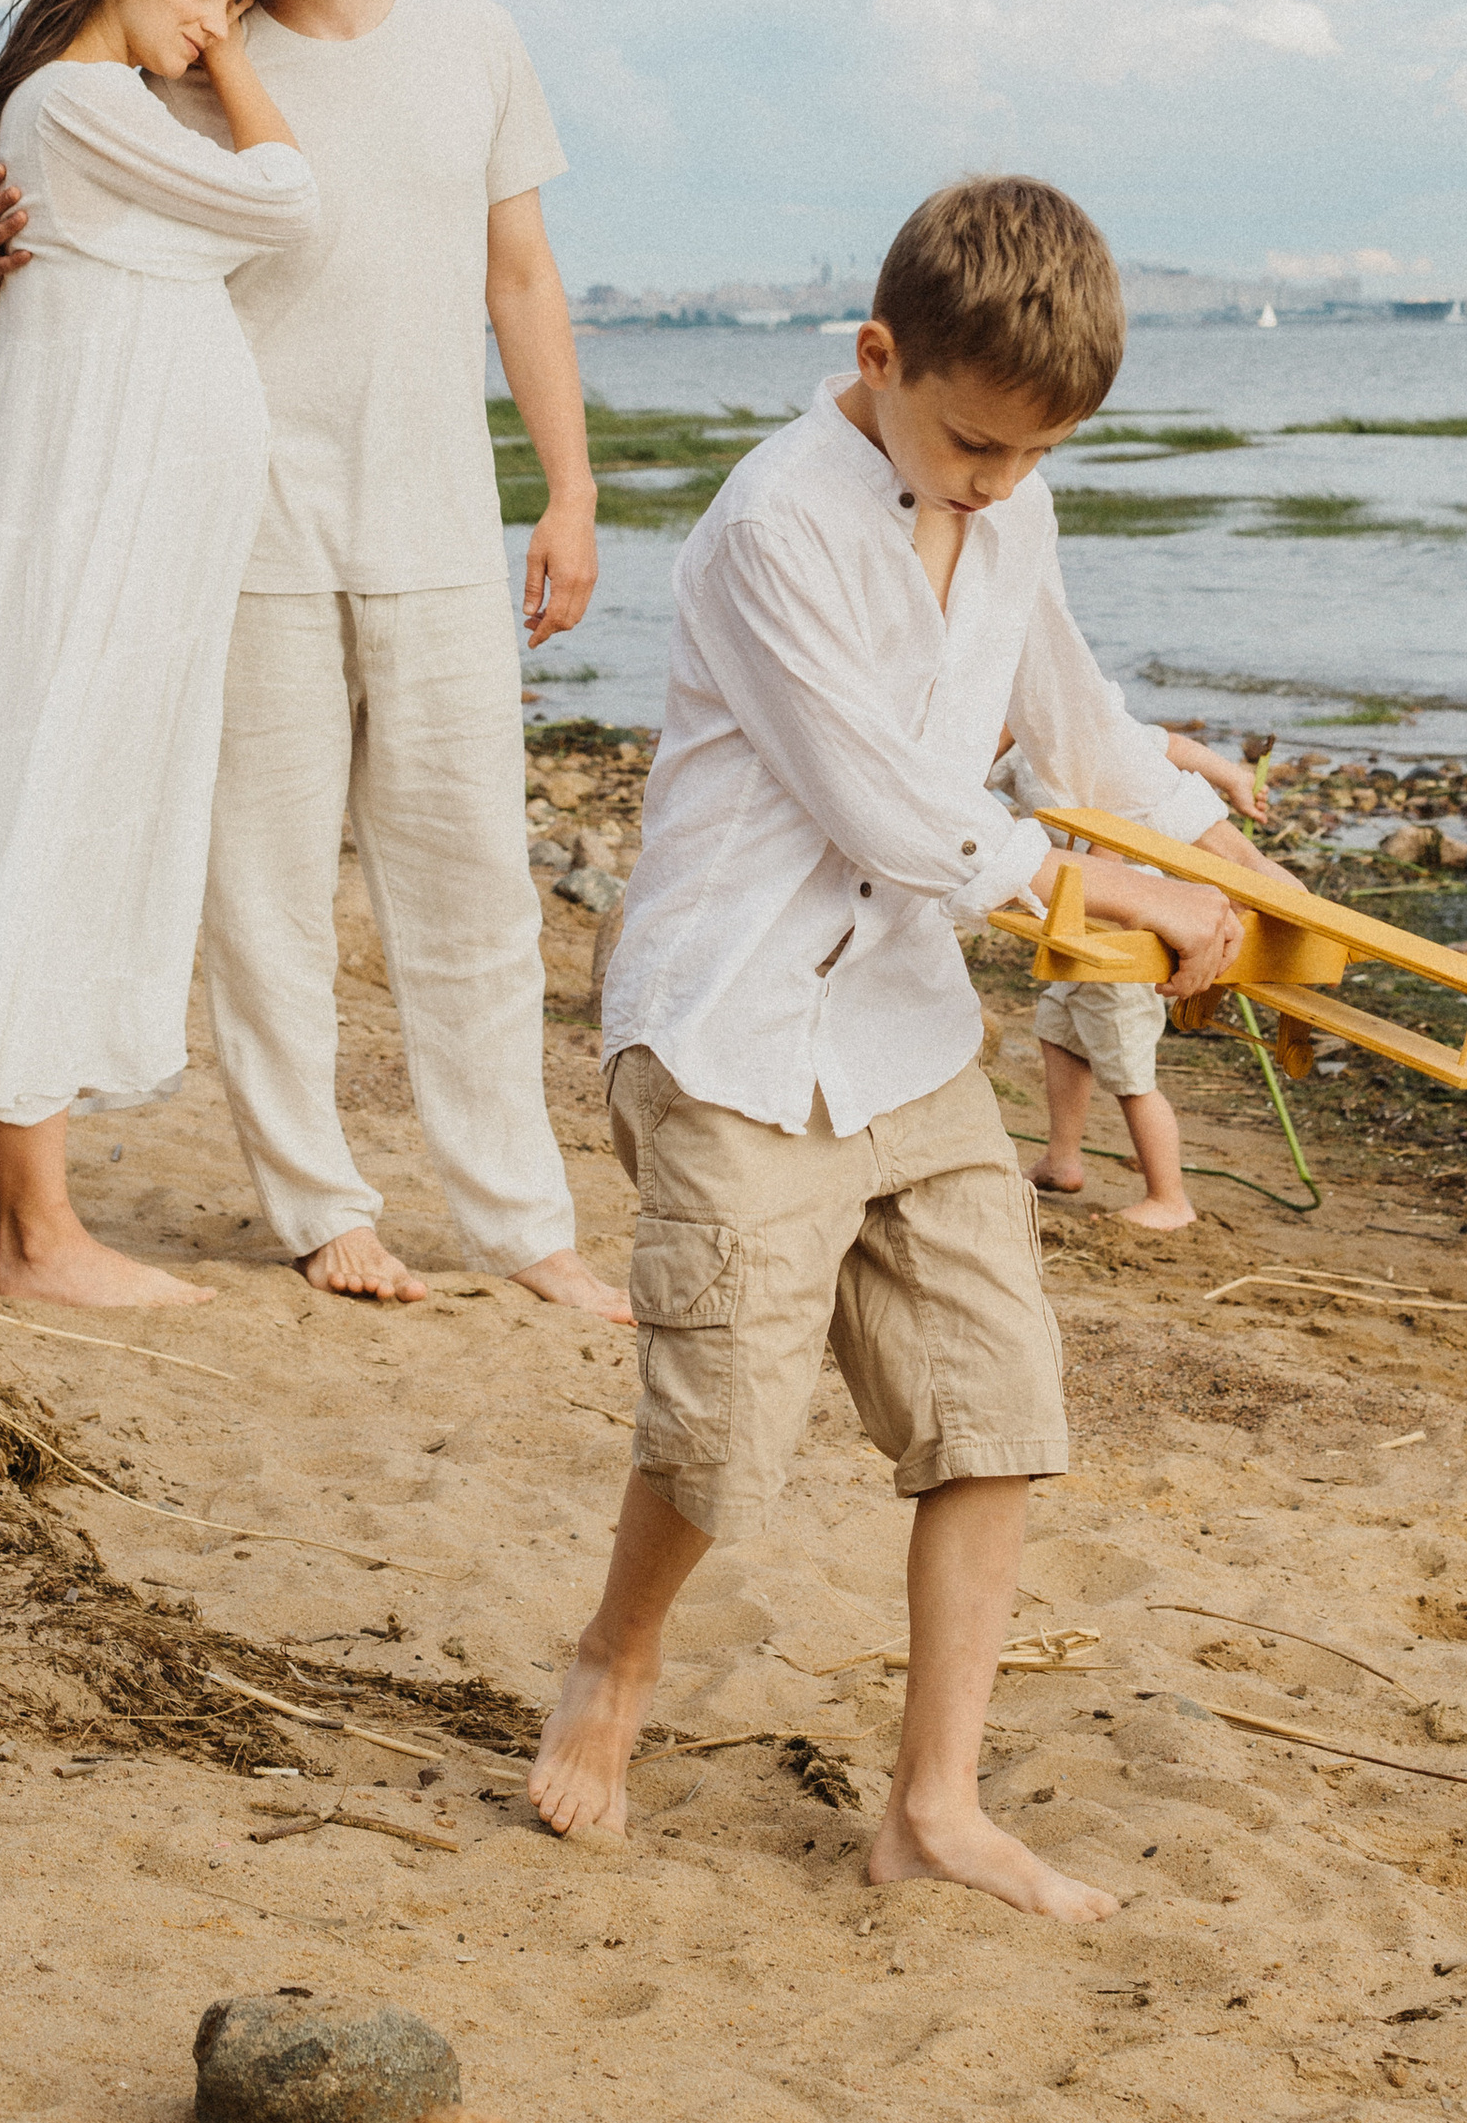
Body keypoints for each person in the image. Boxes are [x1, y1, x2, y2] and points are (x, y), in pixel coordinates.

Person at [530, 174, 1323, 1914]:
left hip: (902, 1037)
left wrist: (1220, 868)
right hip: (732, 1031)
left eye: (1036, 458)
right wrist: (1097, 886)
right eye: (974, 447)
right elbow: (898, 812)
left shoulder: (1014, 515)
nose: (1000, 484)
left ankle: (932, 1806)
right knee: (722, 1434)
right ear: (878, 356)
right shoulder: (771, 531)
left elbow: (1077, 730)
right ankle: (619, 1655)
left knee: (998, 1409)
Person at [0, 0, 624, 1322]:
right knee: (264, 897)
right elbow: (73, 217)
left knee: (471, 889)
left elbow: (519, 278)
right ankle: (321, 1205)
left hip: (442, 526)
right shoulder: (187, 61)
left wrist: (574, 489)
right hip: (243, 527)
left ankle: (526, 1220)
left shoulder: (476, 40)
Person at [0, 0, 318, 1306]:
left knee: (51, 824)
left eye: (237, 3)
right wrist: (243, 60)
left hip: (119, 522)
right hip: (98, 527)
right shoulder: (82, 105)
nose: (215, 25)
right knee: (54, 827)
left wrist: (216, 24)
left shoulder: (92, 115)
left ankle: (11, 1233)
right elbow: (289, 203)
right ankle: (44, 1235)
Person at [1021, 725, 1261, 1230]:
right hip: (1082, 928)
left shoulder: (1083, 725)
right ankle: (1062, 1159)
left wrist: (1230, 778)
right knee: (1058, 1032)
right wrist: (1234, 775)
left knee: (1131, 1074)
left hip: (1127, 937)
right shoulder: (1013, 731)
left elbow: (1154, 757)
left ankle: (1169, 1198)